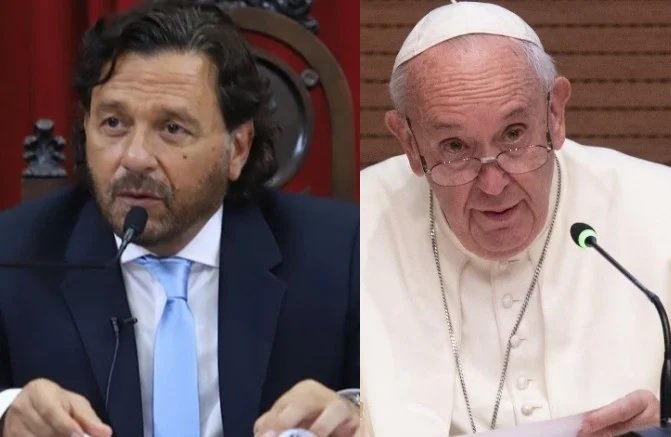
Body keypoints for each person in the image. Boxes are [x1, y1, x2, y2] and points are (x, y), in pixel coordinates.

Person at [0, 2, 359, 437]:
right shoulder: (14, 256)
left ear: (238, 148)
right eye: (113, 123)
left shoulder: (342, 255)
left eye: (172, 128)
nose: (135, 157)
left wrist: (361, 414)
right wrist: (6, 414)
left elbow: (412, 397)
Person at [360, 2, 671, 436]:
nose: (493, 184)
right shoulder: (355, 227)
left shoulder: (660, 207)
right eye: (455, 147)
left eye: (513, 135)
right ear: (410, 142)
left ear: (555, 114)